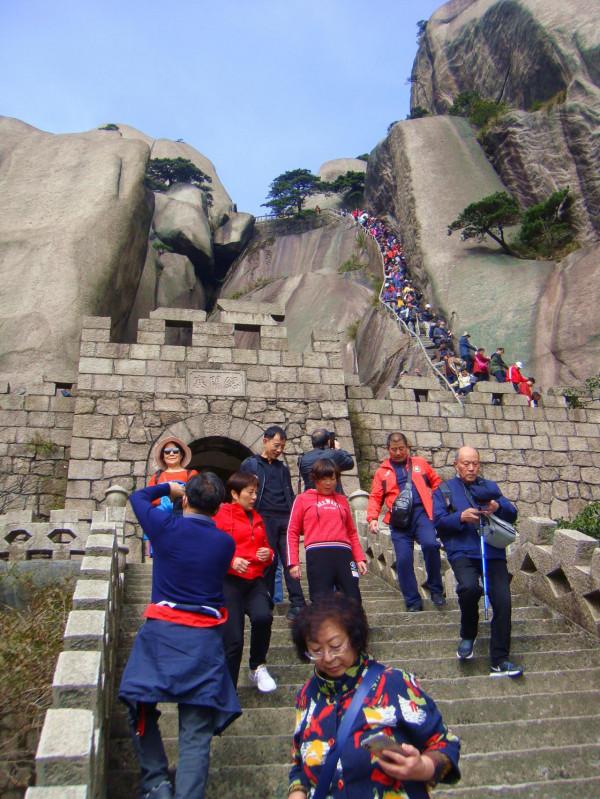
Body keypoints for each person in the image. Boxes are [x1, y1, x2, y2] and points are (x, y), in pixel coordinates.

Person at [119, 473, 241, 799]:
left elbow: (137, 498)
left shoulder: (165, 528)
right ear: (218, 509)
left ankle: (156, 781)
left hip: (162, 633)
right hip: (204, 640)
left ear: (186, 500)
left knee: (138, 703)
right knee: (196, 731)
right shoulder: (225, 542)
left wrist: (169, 488)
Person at [288, 594, 461, 799]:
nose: (327, 658)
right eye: (316, 651)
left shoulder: (393, 683)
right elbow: (299, 762)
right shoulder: (307, 696)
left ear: (354, 638)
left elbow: (445, 743)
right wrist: (297, 792)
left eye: (336, 646)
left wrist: (423, 767)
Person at [433, 446, 523, 678]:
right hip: (461, 551)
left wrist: (497, 506)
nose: (471, 467)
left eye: (475, 463)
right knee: (469, 588)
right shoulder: (444, 489)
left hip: (492, 551)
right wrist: (460, 517)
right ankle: (468, 634)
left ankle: (500, 659)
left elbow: (512, 513)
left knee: (503, 601)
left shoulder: (489, 488)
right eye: (466, 463)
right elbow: (439, 521)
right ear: (456, 465)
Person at [213, 471, 276, 693]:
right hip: (229, 581)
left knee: (263, 616)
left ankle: (257, 665)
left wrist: (267, 554)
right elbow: (211, 547)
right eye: (250, 492)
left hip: (255, 579)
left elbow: (268, 547)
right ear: (234, 493)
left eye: (255, 492)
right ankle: (227, 690)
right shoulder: (219, 514)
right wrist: (231, 560)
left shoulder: (257, 518)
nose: (254, 496)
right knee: (234, 640)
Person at [367, 433, 445, 611]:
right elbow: (376, 496)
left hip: (422, 513)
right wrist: (372, 518)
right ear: (388, 450)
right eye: (394, 449)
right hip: (399, 520)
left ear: (407, 447)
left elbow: (437, 483)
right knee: (403, 560)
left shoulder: (420, 464)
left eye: (401, 448)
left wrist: (439, 505)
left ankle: (436, 590)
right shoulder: (382, 472)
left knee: (431, 545)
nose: (398, 452)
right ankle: (412, 601)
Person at [240, 426, 306, 621]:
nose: (279, 450)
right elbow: (242, 489)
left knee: (290, 561)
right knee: (267, 562)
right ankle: (264, 601)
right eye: (276, 445)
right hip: (263, 518)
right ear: (265, 440)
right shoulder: (250, 465)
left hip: (285, 518)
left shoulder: (283, 468)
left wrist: (295, 513)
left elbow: (289, 492)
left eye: (282, 447)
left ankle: (299, 604)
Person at [287, 459, 367, 603]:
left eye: (332, 478)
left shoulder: (342, 500)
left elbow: (351, 532)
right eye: (324, 479)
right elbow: (292, 531)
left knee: (353, 598)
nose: (329, 483)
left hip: (344, 554)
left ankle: (354, 626)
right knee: (321, 600)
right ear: (315, 479)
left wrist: (359, 558)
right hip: (318, 554)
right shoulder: (302, 499)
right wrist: (294, 562)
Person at [143, 437, 199, 557]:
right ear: (163, 456)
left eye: (175, 451)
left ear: (181, 454)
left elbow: (195, 494)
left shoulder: (191, 474)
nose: (171, 453)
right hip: (161, 516)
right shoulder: (157, 476)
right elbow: (149, 498)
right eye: (167, 452)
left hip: (182, 515)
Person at [298, 428, 355, 493]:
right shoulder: (335, 454)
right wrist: (338, 449)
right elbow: (350, 463)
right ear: (328, 441)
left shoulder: (302, 459)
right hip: (331, 497)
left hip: (310, 497)